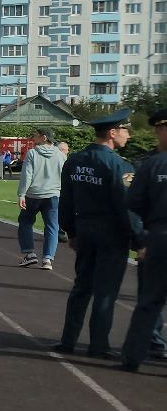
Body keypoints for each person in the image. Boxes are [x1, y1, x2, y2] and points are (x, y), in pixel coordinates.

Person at [54, 111, 138, 361]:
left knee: (81, 287)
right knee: (106, 291)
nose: (128, 135)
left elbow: (66, 200)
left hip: (85, 231)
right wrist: (139, 239)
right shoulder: (118, 165)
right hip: (111, 234)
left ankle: (68, 340)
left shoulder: (75, 160)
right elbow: (126, 207)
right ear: (113, 133)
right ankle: (98, 345)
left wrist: (70, 231)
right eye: (125, 130)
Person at [119, 109, 167, 371]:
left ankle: (133, 357)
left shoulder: (151, 165)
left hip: (159, 237)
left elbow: (133, 202)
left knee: (149, 301)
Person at [18, 127, 64, 269]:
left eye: (36, 135)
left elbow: (27, 175)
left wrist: (21, 194)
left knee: (25, 221)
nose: (33, 137)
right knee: (52, 226)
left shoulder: (32, 153)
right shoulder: (60, 155)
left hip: (34, 194)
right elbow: (64, 175)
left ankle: (29, 254)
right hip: (53, 195)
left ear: (44, 137)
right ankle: (48, 259)